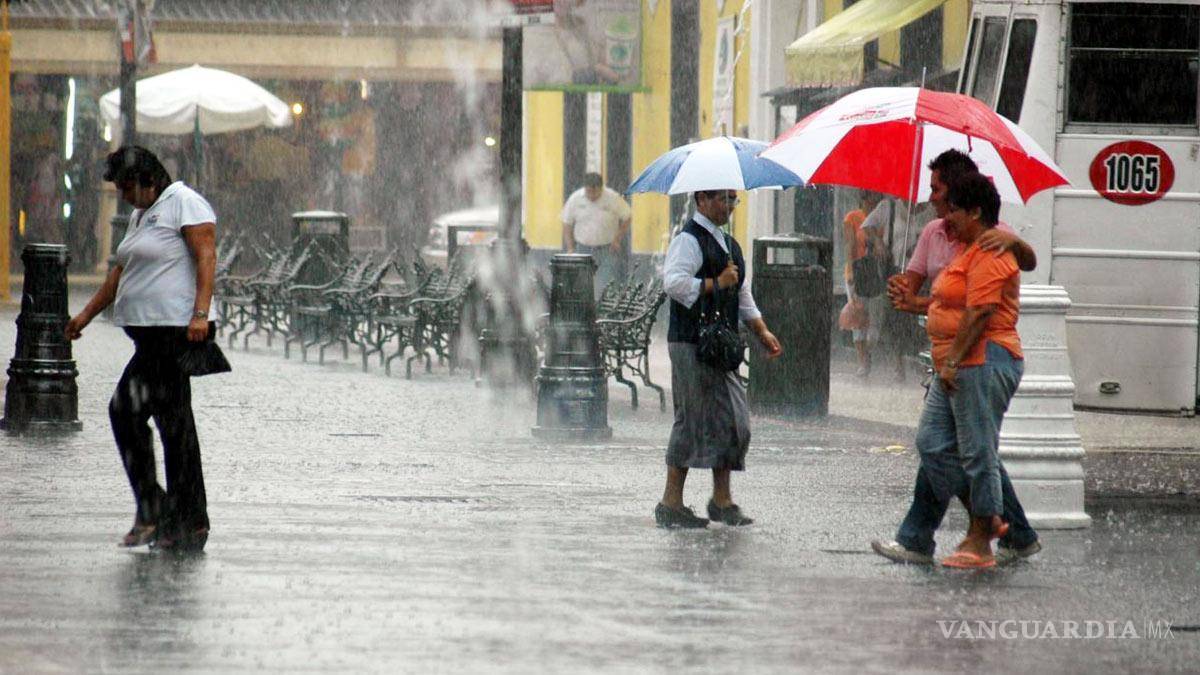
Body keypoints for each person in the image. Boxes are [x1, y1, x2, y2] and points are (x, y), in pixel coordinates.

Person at [872, 150, 1041, 567]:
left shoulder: (992, 244)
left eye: (943, 197)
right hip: (951, 358)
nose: (942, 212)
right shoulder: (950, 239)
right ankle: (1000, 524)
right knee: (935, 445)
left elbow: (980, 310)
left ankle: (980, 534)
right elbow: (943, 301)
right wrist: (911, 299)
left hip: (978, 359)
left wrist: (952, 361)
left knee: (976, 452)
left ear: (971, 208)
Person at [65, 146, 219, 552]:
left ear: (149, 179)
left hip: (175, 332)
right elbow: (120, 272)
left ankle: (163, 511)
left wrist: (200, 313)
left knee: (127, 410)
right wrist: (85, 315)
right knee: (174, 425)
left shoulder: (183, 202)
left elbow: (206, 255)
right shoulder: (141, 216)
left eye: (128, 187)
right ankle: (183, 519)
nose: (125, 196)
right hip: (149, 335)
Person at [656, 189, 782, 528]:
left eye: (732, 199)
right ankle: (671, 503)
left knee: (733, 419)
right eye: (722, 199)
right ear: (701, 200)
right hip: (691, 343)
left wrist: (762, 331)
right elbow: (674, 283)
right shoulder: (689, 240)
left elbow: (742, 295)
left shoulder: (730, 245)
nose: (728, 206)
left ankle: (721, 499)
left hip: (721, 345)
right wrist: (714, 283)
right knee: (692, 418)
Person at [839, 191, 886, 377]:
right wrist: (850, 270)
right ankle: (862, 362)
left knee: (875, 320)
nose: (873, 201)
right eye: (870, 198)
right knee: (858, 318)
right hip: (857, 272)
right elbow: (849, 246)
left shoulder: (881, 218)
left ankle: (869, 353)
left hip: (876, 273)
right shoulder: (852, 218)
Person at [561, 172, 632, 296]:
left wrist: (617, 238)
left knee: (606, 284)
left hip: (607, 249)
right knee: (582, 284)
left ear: (601, 188)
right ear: (585, 188)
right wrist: (570, 247)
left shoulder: (613, 198)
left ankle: (604, 311)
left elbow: (627, 217)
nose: (592, 196)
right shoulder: (575, 199)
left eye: (595, 192)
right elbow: (567, 223)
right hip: (583, 249)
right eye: (589, 192)